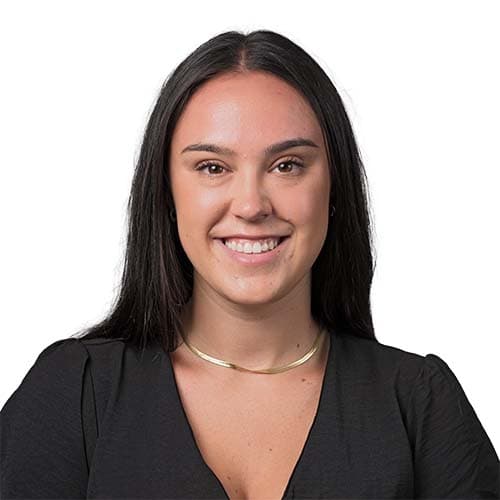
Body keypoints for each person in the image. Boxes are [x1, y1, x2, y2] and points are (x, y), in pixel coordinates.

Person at [1, 29, 498, 500]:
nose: (251, 205)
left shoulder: (420, 404)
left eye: (287, 165)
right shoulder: (73, 393)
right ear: (167, 193)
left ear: (334, 189)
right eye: (212, 167)